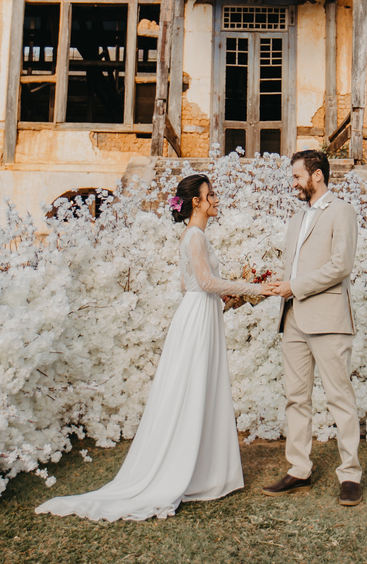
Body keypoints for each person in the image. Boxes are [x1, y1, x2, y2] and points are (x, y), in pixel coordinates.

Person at [36, 174, 272, 521]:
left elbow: (188, 283)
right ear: (198, 202)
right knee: (191, 388)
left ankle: (203, 470)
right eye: (212, 195)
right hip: (197, 316)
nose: (217, 200)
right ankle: (185, 470)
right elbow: (204, 282)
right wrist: (255, 290)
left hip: (200, 312)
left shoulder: (195, 236)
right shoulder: (194, 235)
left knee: (201, 387)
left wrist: (231, 297)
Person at [264, 150, 362, 507]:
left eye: (296, 177)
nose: (293, 183)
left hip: (329, 320)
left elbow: (341, 265)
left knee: (340, 398)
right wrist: (280, 283)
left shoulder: (342, 211)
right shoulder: (296, 218)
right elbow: (295, 269)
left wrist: (296, 285)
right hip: (292, 318)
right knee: (295, 397)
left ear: (316, 175)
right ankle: (299, 469)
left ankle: (350, 474)